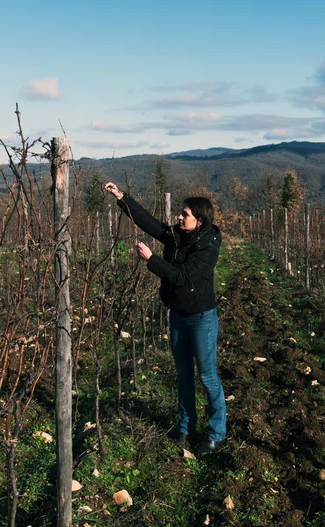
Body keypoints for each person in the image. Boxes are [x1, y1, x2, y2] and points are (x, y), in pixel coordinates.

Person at [104, 182, 226, 457]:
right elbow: (150, 224)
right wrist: (122, 198)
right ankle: (186, 426)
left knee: (207, 376)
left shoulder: (208, 247)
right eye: (181, 213)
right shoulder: (178, 235)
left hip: (201, 318)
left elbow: (181, 277)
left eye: (185, 214)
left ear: (199, 221)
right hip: (178, 315)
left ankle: (216, 434)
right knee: (183, 374)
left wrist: (152, 260)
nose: (179, 217)